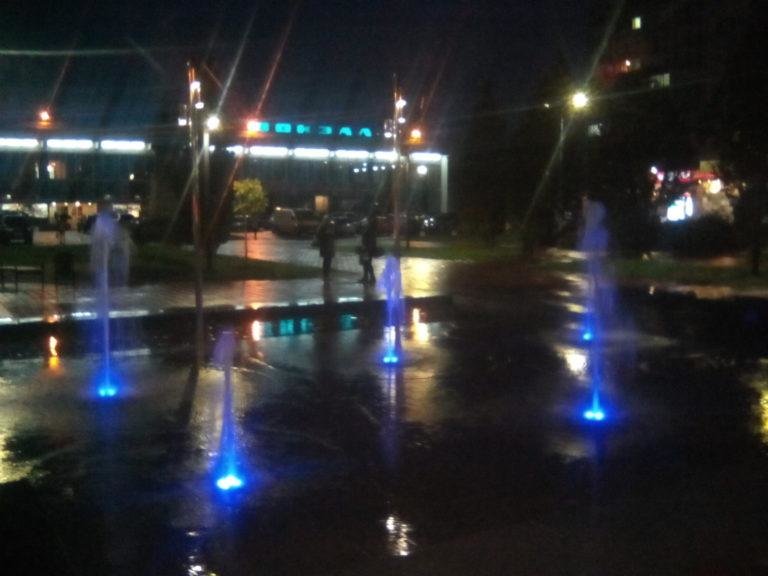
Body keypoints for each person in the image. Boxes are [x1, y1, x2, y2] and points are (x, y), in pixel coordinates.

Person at [315, 215, 335, 282]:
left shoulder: (324, 226)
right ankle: (326, 275)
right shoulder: (324, 228)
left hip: (327, 246)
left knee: (327, 261)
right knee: (327, 261)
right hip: (327, 246)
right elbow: (327, 235)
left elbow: (333, 234)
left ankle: (326, 275)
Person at [359, 214, 378, 284]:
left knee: (367, 263)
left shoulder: (369, 230)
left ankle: (372, 278)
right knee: (365, 263)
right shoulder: (367, 229)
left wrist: (367, 248)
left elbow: (370, 241)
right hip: (366, 249)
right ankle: (366, 277)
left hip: (368, 250)